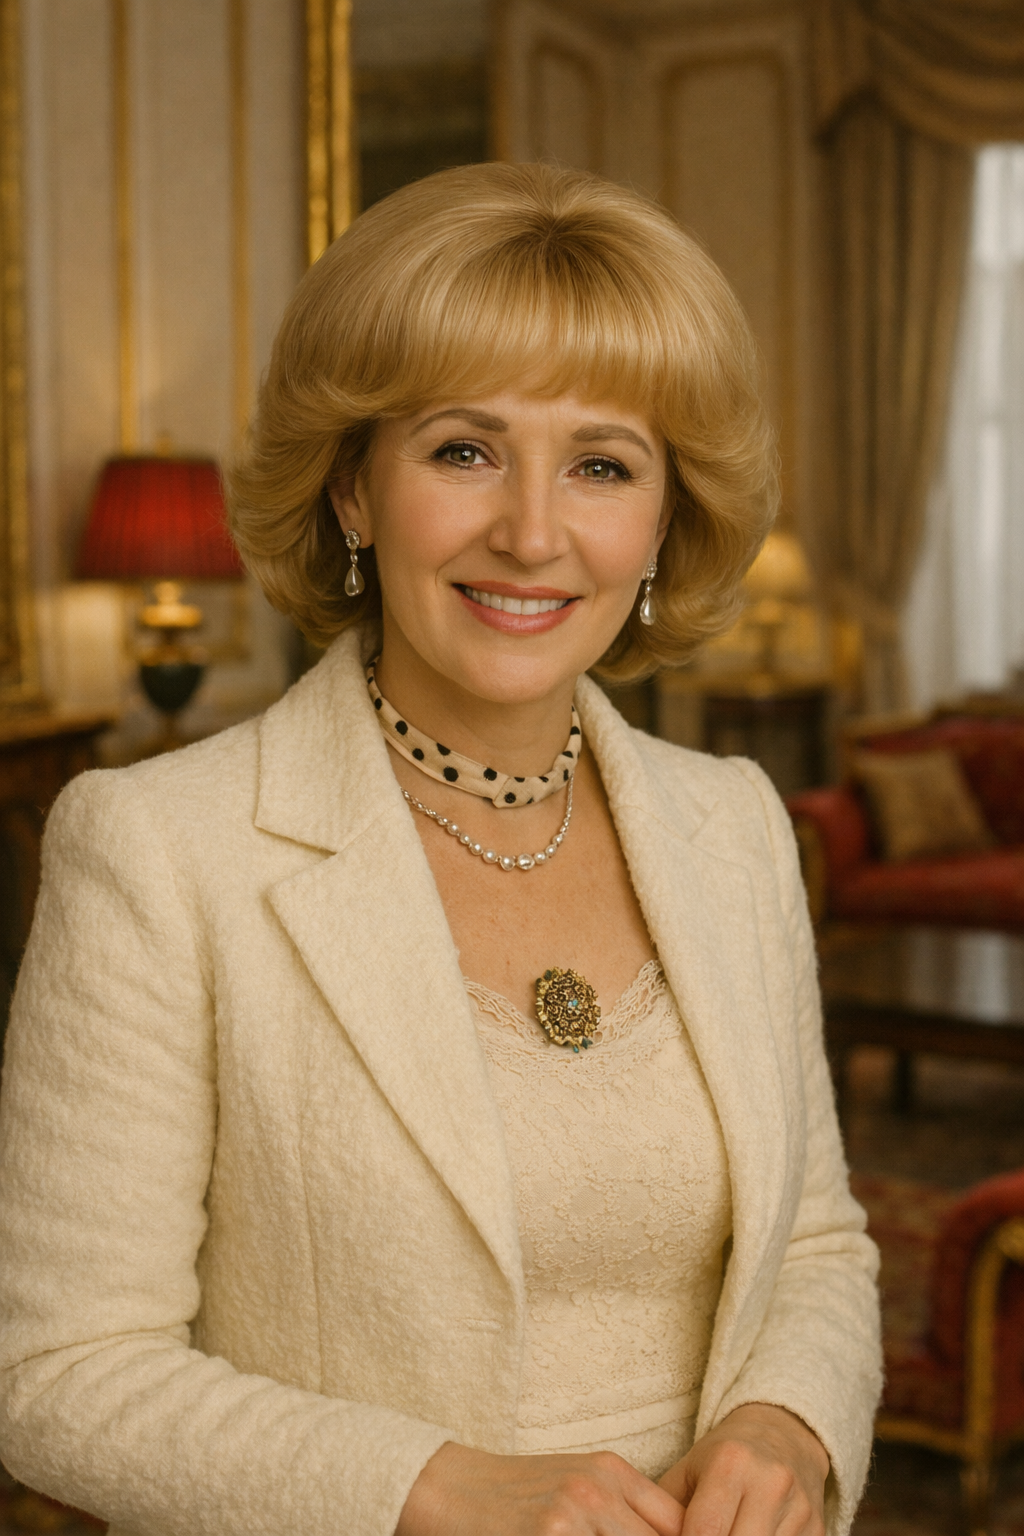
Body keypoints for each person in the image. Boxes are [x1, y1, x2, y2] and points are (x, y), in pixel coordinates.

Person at [0, 162, 880, 1536]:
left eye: (601, 465)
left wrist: (789, 1423)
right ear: (353, 487)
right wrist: (430, 1487)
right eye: (464, 451)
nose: (531, 533)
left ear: (664, 518)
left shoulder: (736, 824)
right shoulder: (158, 850)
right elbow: (60, 1374)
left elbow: (818, 1242)